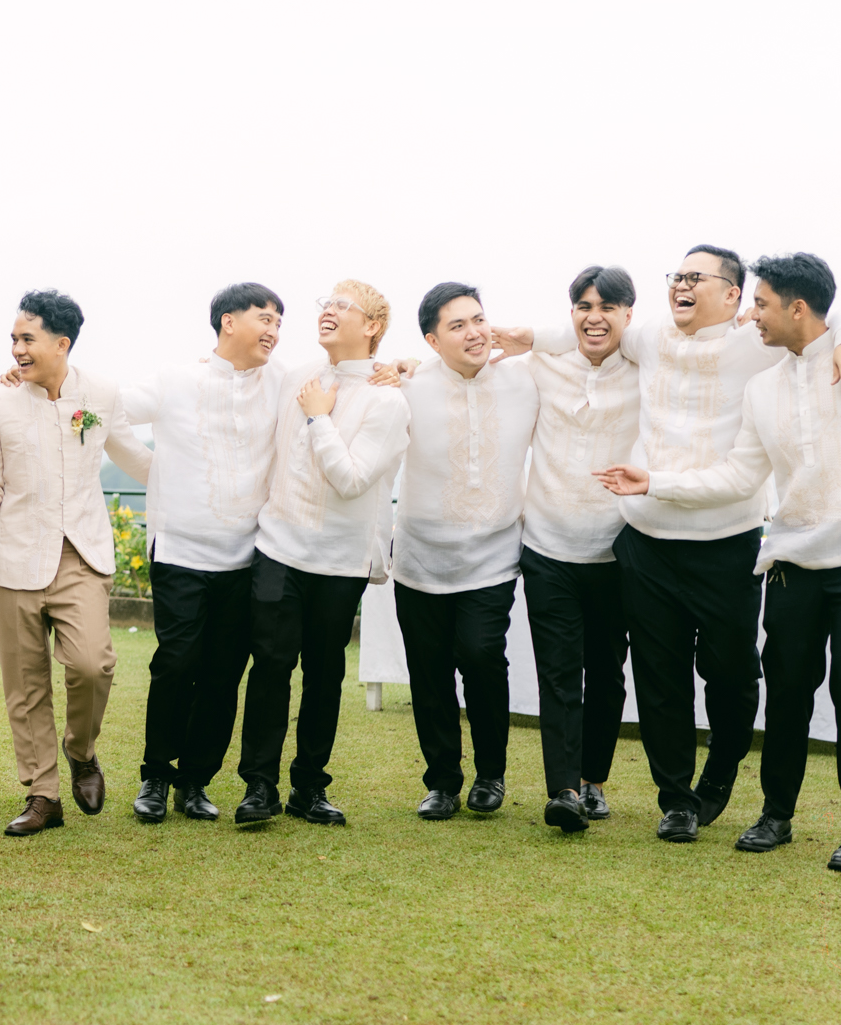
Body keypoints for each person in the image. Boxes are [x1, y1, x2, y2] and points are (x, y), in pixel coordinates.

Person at [597, 253, 841, 871]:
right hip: (791, 562)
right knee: (787, 694)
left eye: (761, 304)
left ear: (797, 308)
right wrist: (654, 482)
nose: (752, 316)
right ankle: (776, 816)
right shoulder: (762, 387)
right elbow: (741, 475)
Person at [501, 245, 841, 842]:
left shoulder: (756, 342)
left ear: (733, 295)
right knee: (659, 680)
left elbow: (824, 317)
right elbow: (595, 326)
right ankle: (675, 799)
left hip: (727, 543)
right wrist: (527, 336)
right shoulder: (649, 337)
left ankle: (718, 777)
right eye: (677, 275)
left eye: (696, 277)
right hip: (646, 542)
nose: (681, 285)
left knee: (732, 677)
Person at [0, 289, 151, 837]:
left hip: (82, 554)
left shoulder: (102, 393)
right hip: (16, 557)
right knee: (25, 685)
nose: (17, 350)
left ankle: (81, 749)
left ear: (61, 343)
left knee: (93, 664)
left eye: (28, 339)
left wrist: (195, 480)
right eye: (14, 339)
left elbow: (132, 455)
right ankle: (43, 795)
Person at [236, 280, 408, 828]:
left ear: (372, 326)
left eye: (342, 305)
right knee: (270, 665)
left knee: (324, 674)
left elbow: (352, 480)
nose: (328, 311)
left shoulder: (387, 400)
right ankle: (258, 786)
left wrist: (318, 418)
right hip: (278, 546)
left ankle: (309, 787)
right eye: (325, 304)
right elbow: (239, 376)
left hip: (340, 560)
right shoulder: (295, 375)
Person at [122, 283, 287, 824]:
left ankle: (194, 781)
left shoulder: (281, 382)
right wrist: (154, 474)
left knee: (223, 674)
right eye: (264, 317)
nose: (273, 330)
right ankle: (155, 774)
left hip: (246, 557)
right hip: (180, 549)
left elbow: (343, 378)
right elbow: (107, 411)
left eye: (279, 322)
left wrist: (395, 368)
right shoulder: (176, 379)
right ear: (228, 321)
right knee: (176, 662)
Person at [393, 283, 538, 822]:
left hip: (493, 554)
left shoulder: (525, 379)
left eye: (479, 319)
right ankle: (442, 782)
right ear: (432, 341)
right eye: (457, 325)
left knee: (481, 657)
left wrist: (531, 339)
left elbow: (584, 351)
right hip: (420, 557)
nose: (475, 332)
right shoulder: (407, 386)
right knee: (428, 672)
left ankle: (491, 774)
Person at [507, 267, 640, 832]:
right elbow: (483, 370)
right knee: (558, 671)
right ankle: (562, 789)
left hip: (617, 550)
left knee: (607, 674)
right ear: (571, 314)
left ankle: (594, 782)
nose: (594, 317)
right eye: (584, 306)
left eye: (608, 306)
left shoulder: (646, 368)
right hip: (547, 546)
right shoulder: (543, 365)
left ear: (629, 315)